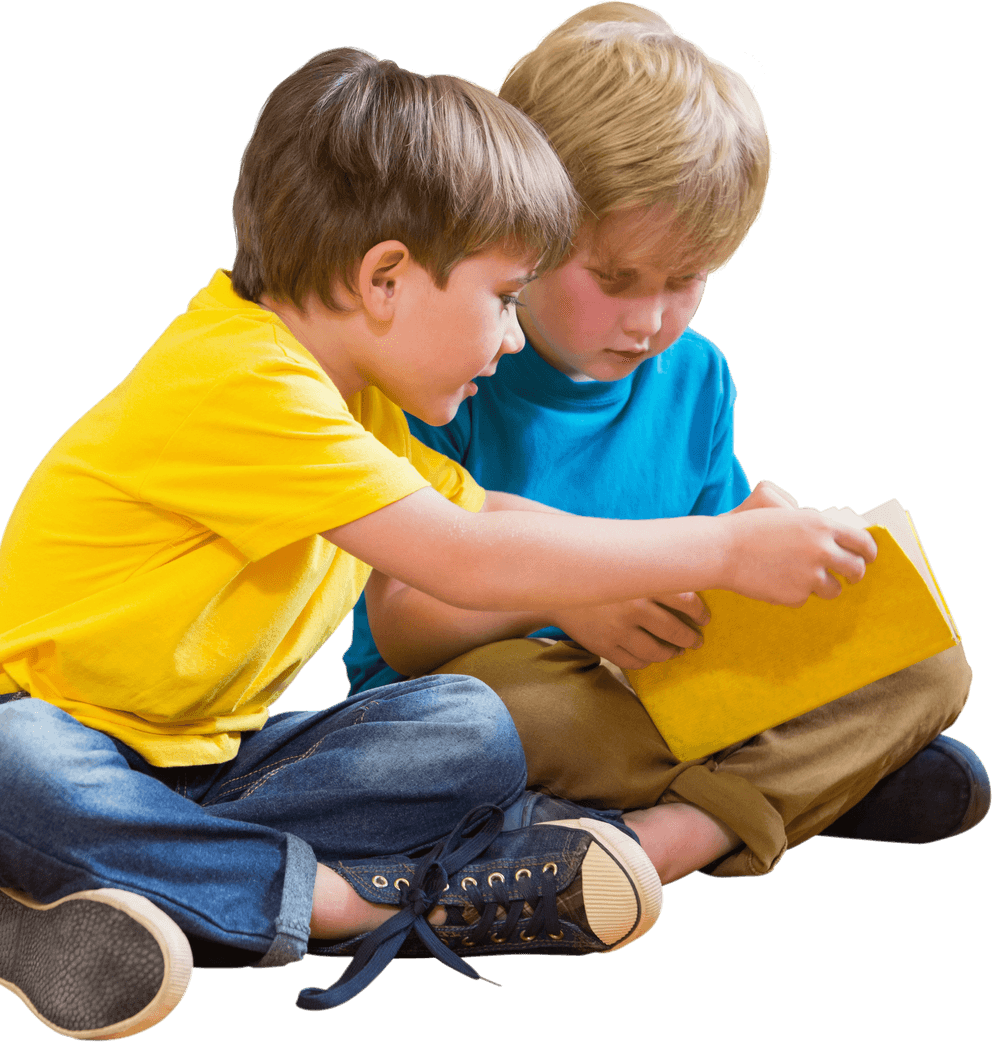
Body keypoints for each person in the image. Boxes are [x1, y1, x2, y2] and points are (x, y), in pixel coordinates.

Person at [0, 44, 882, 1039]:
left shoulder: (360, 402)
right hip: (52, 746)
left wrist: (717, 532)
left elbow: (489, 515)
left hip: (208, 769)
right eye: (503, 298)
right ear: (385, 278)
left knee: (467, 726)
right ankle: (357, 904)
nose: (513, 336)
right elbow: (461, 557)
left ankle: (104, 896)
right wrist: (721, 554)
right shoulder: (245, 381)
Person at [346, 2, 985, 887]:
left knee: (932, 667)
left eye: (687, 280)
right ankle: (771, 798)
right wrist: (573, 593)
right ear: (517, 231)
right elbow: (403, 625)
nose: (649, 321)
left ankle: (653, 829)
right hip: (490, 691)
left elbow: (713, 574)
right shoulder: (445, 368)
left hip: (650, 687)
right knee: (497, 718)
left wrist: (776, 560)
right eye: (615, 279)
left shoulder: (697, 377)